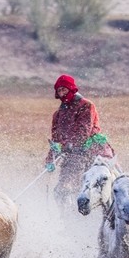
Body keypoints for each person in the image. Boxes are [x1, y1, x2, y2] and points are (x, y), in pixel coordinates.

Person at [45, 74, 115, 202]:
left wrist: (67, 145)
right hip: (70, 155)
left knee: (101, 184)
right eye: (59, 91)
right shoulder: (58, 114)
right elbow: (55, 138)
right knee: (61, 190)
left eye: (64, 89)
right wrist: (51, 158)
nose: (62, 93)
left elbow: (83, 131)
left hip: (92, 151)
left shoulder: (86, 105)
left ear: (71, 89)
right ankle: (67, 218)